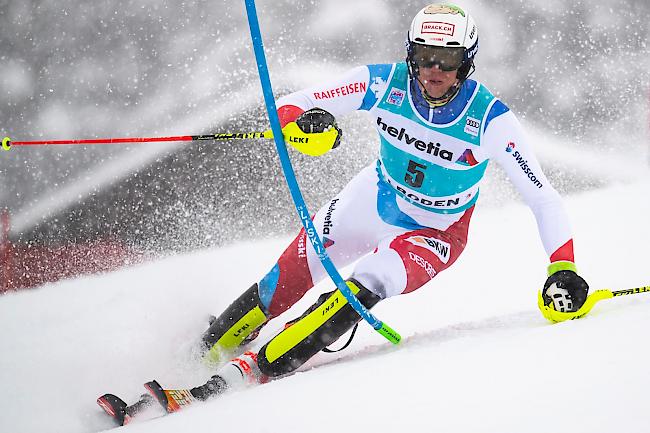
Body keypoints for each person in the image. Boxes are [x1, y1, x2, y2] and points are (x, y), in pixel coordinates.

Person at [113, 2, 592, 416]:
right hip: (374, 199)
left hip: (436, 232)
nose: (434, 71)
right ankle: (198, 358)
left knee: (363, 286)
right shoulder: (383, 83)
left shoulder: (490, 119)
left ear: (467, 63)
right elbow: (297, 102)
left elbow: (543, 196)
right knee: (284, 280)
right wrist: (306, 121)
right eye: (425, 57)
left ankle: (253, 371)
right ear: (411, 55)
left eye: (447, 60)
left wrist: (562, 266)